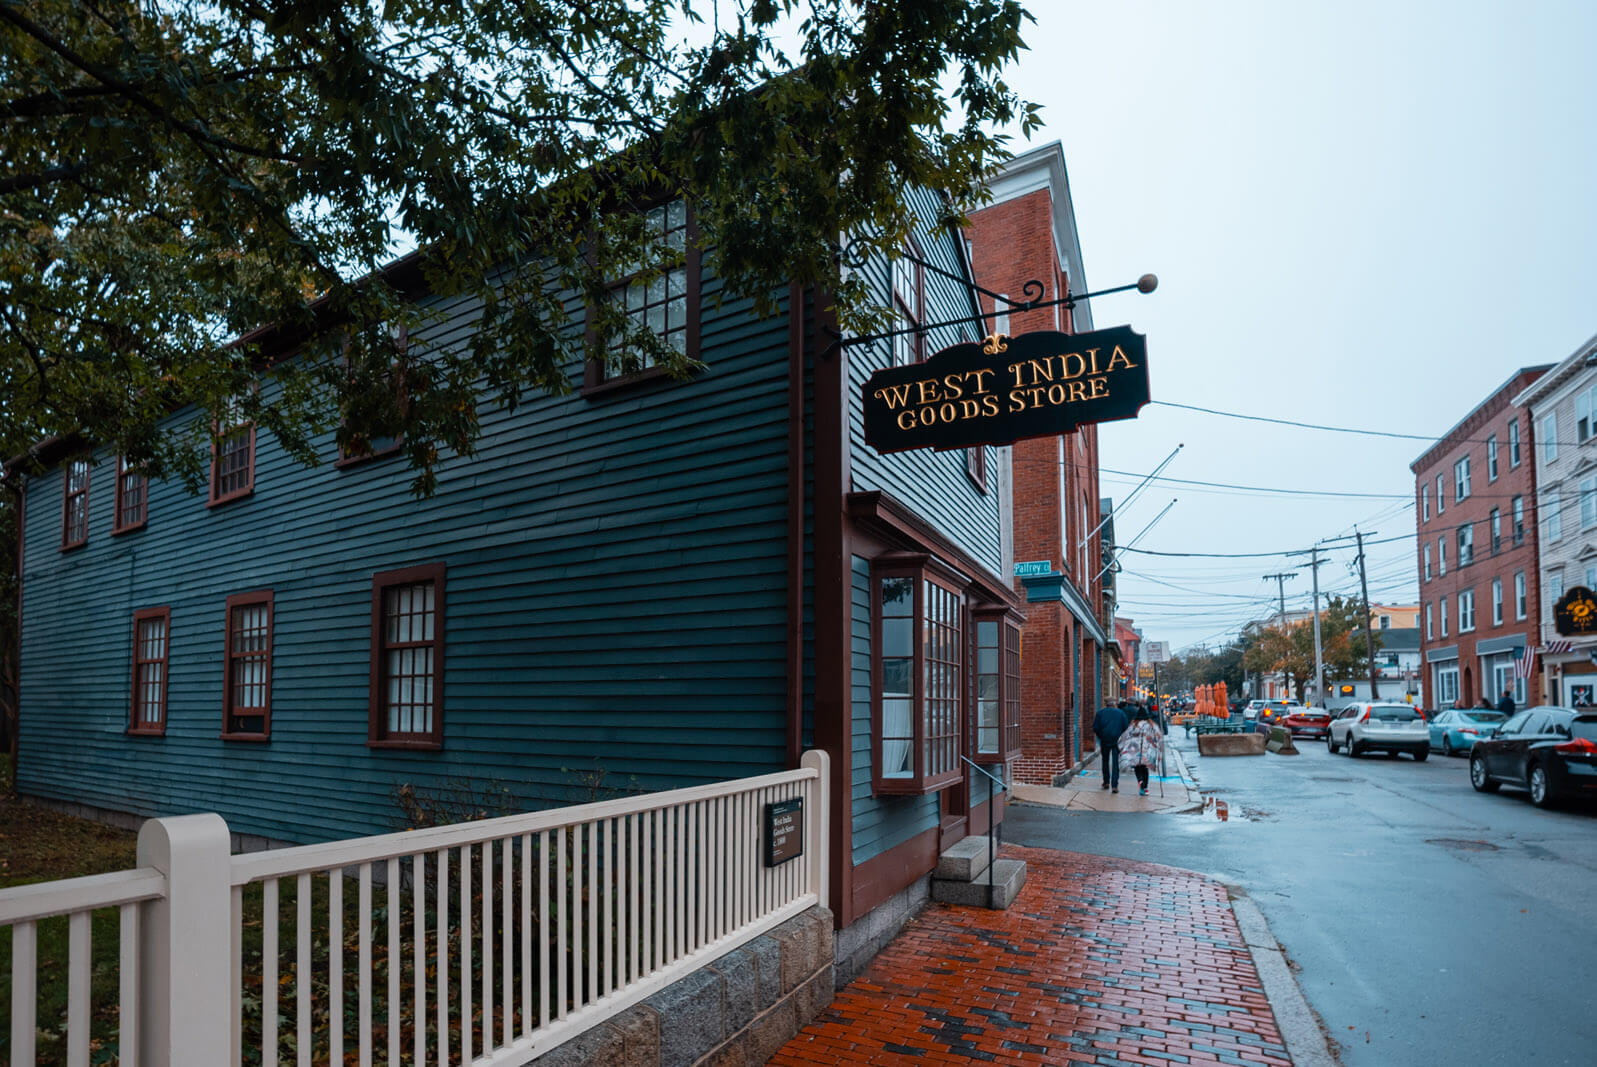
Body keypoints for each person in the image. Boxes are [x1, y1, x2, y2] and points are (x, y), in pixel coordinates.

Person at [1120, 706, 1164, 796]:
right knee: (1145, 768)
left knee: (1137, 768)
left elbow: (1124, 736)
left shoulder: (1133, 725)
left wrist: (1121, 746)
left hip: (1135, 751)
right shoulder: (1152, 725)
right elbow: (1159, 737)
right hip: (1147, 751)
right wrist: (1160, 749)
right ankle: (1146, 787)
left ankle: (1140, 781)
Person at [1093, 700, 1131, 794]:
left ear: (1106, 704)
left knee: (1105, 761)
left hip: (1105, 740)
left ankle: (1106, 782)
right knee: (1115, 763)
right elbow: (1126, 727)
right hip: (1117, 741)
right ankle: (1114, 785)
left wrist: (1101, 736)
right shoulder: (1120, 713)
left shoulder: (1100, 713)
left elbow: (1095, 728)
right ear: (1114, 704)